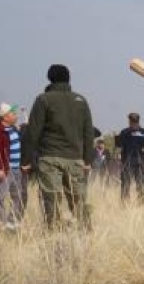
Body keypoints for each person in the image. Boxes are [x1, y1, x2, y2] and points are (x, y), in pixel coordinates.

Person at [21, 65, 95, 228]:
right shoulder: (81, 101)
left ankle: (53, 233)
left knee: (51, 199)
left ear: (50, 78)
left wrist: (25, 160)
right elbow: (88, 133)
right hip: (75, 158)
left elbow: (32, 133)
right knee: (79, 200)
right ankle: (85, 232)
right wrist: (88, 160)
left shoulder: (43, 99)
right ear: (69, 78)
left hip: (49, 157)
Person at [115, 112, 144, 202]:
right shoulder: (125, 132)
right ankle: (125, 204)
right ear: (130, 121)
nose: (132, 123)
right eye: (132, 121)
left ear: (138, 121)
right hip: (127, 162)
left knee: (141, 184)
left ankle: (141, 203)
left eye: (134, 121)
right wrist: (117, 138)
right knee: (125, 184)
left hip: (141, 162)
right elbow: (118, 144)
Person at [0, 103, 25, 229]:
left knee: (17, 196)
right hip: (5, 170)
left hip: (16, 169)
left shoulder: (14, 129)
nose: (16, 115)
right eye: (13, 114)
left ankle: (11, 222)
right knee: (0, 198)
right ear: (5, 117)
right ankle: (0, 223)